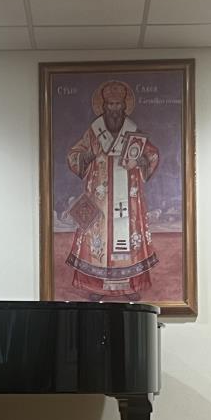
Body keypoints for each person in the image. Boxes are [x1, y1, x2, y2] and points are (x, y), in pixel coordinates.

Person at [65, 79, 160, 301]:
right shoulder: (94, 131)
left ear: (124, 106)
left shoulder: (133, 131)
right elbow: (74, 155)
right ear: (104, 106)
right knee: (99, 237)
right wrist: (87, 156)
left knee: (127, 235)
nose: (114, 109)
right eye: (110, 104)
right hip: (99, 198)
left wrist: (141, 161)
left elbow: (151, 155)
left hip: (127, 198)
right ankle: (97, 286)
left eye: (118, 105)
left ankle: (129, 285)